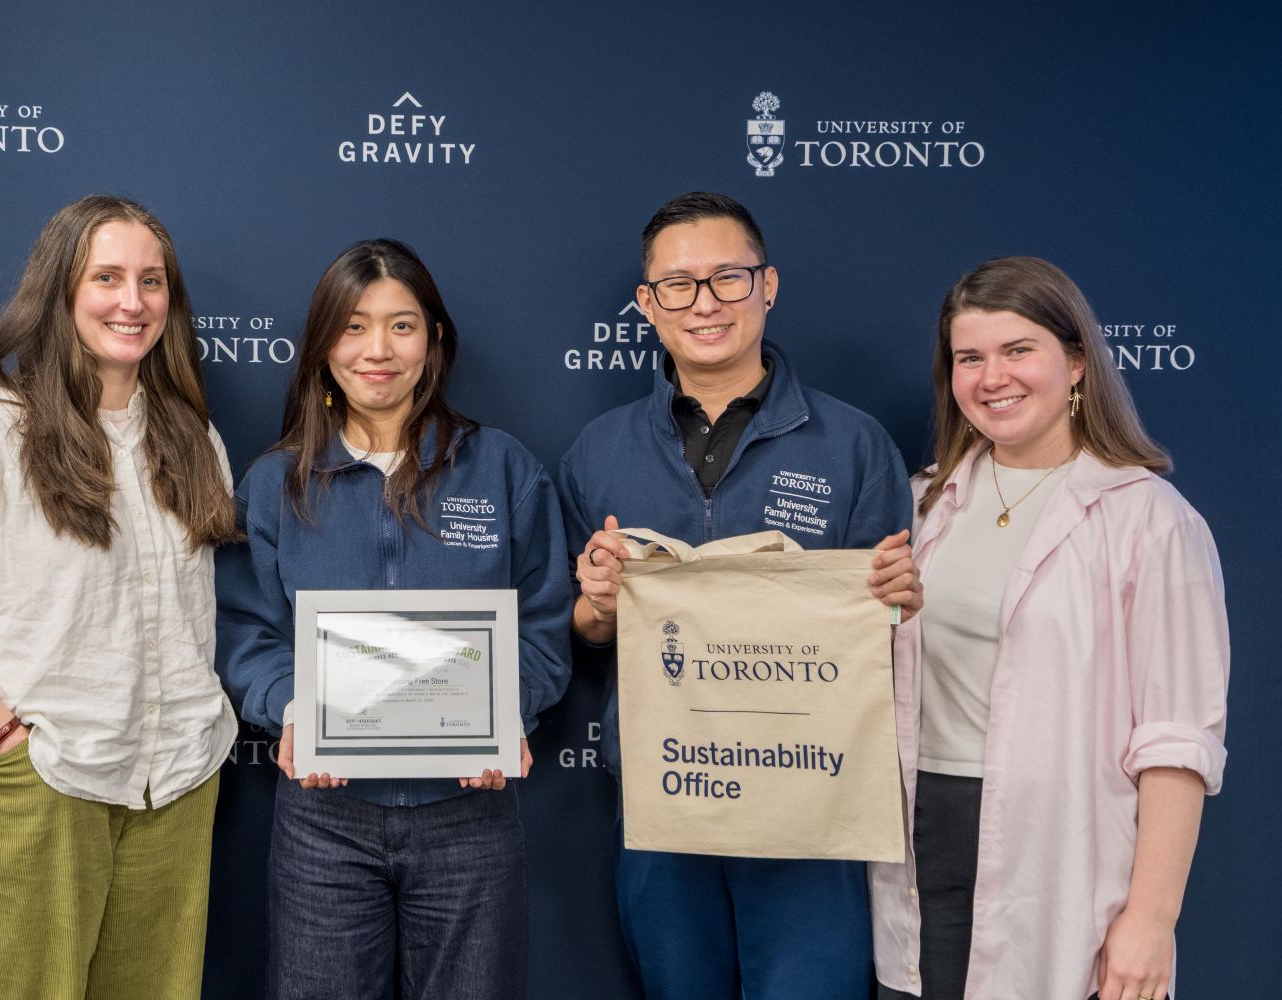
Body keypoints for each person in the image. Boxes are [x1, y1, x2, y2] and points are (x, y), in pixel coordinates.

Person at [0, 195, 240, 1000]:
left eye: (151, 280)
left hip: (173, 791)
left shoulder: (193, 439)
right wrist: (6, 741)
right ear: (60, 291)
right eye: (106, 277)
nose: (132, 301)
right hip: (38, 788)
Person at [561, 191, 922, 1000]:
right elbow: (583, 629)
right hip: (665, 795)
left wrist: (899, 600)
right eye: (679, 285)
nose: (706, 303)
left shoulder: (854, 443)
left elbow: (884, 628)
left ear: (769, 286)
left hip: (811, 802)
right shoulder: (599, 451)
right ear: (648, 306)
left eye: (728, 278)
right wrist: (598, 605)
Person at [214, 238, 571, 1000]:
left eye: (402, 325)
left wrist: (507, 710)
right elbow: (246, 630)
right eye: (352, 326)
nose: (378, 349)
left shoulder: (502, 468)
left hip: (469, 812)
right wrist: (292, 708)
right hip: (325, 818)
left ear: (435, 340)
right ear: (320, 345)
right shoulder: (276, 483)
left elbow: (544, 619)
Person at [870, 257, 1229, 1000]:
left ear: (1075, 365)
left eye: (1017, 351)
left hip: (1061, 857)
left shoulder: (1150, 520)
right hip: (919, 835)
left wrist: (1151, 919)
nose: (992, 377)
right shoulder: (920, 507)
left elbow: (1177, 741)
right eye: (969, 358)